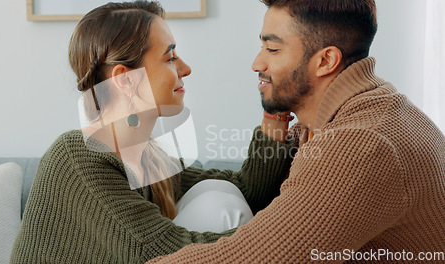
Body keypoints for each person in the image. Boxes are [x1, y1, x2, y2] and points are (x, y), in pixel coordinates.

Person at [148, 0, 445, 263]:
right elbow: (256, 187)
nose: (257, 63)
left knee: (217, 204)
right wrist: (276, 109)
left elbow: (257, 256)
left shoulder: (360, 143)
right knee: (216, 193)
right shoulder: (352, 112)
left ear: (326, 61)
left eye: (272, 49)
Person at [9, 1, 297, 263]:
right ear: (126, 80)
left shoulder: (147, 154)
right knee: (219, 204)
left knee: (219, 191)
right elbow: (159, 251)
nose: (185, 68)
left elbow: (248, 191)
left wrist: (277, 109)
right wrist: (300, 240)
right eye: (170, 57)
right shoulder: (78, 156)